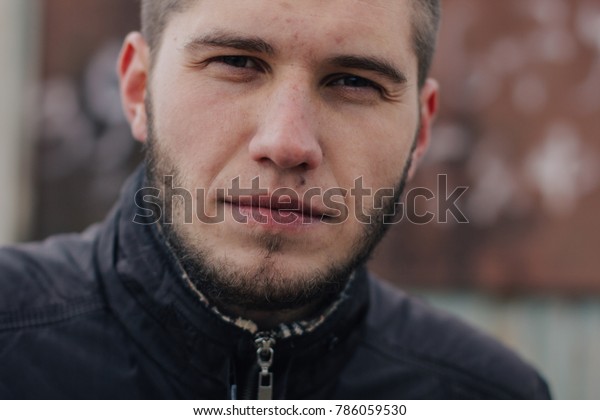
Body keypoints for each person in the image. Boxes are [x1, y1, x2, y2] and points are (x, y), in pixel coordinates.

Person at [0, 0, 550, 399]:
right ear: (136, 87)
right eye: (236, 63)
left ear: (421, 132)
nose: (287, 143)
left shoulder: (489, 397)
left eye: (353, 81)